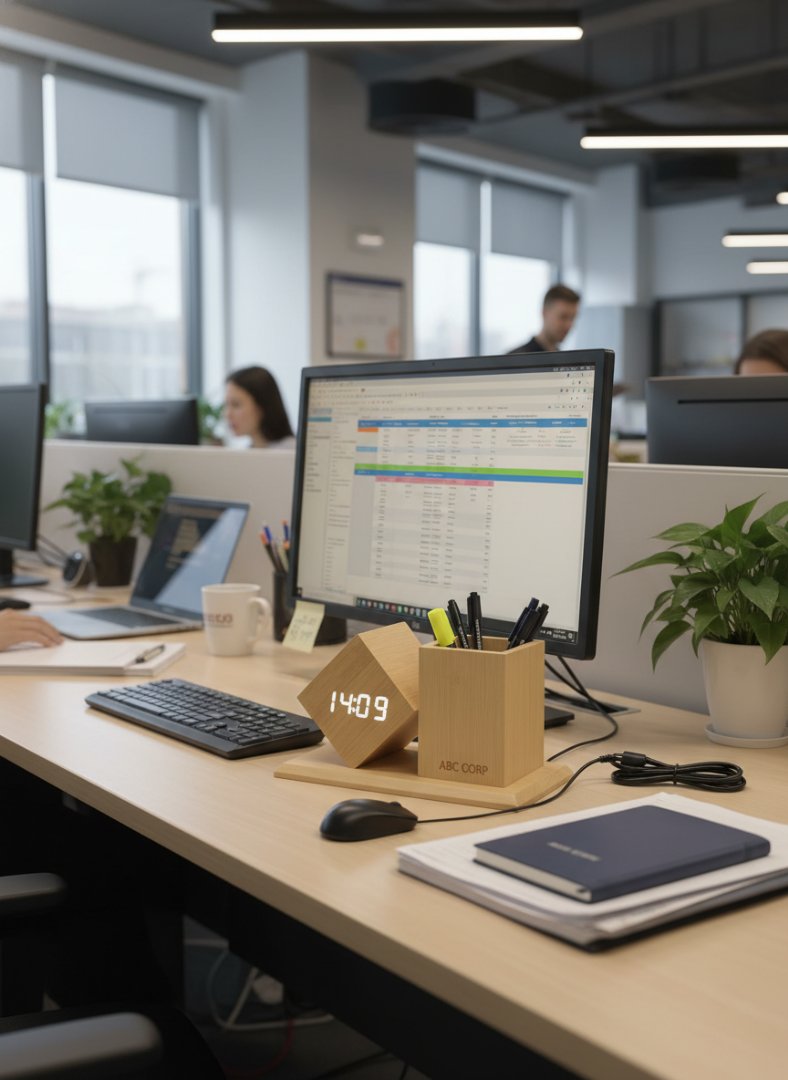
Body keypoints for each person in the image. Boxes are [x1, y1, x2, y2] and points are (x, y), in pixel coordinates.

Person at [224, 366, 295, 447]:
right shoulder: (246, 451)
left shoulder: (292, 452)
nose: (228, 414)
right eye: (226, 404)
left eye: (236, 404)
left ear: (262, 406)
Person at [508, 284, 580, 354]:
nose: (569, 325)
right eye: (563, 317)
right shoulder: (513, 360)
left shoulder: (564, 361)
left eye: (572, 318)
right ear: (544, 313)